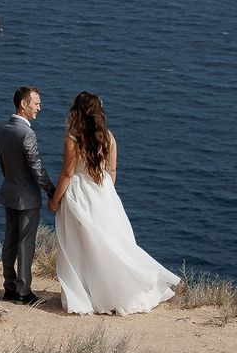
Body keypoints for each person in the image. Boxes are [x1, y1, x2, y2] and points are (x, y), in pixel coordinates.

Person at [47, 90, 180, 316]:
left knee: (81, 246)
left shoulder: (73, 140)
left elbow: (67, 174)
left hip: (79, 195)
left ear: (77, 112)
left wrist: (54, 201)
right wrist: (107, 194)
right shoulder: (108, 137)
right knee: (109, 243)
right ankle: (114, 291)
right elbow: (112, 171)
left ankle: (87, 293)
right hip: (104, 192)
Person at [0, 85, 54, 305]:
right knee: (25, 244)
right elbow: (36, 167)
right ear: (23, 104)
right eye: (36, 103)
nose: (39, 107)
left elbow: (2, 163)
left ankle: (9, 288)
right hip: (26, 196)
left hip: (9, 191)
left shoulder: (2, 128)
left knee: (9, 241)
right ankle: (23, 292)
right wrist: (50, 189)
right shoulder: (26, 132)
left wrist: (11, 180)